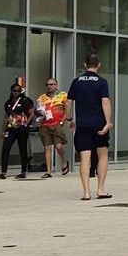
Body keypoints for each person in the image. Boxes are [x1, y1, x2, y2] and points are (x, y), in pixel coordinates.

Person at [65, 50, 112, 200]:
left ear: (85, 65)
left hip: (83, 125)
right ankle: (101, 189)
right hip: (99, 124)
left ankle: (86, 192)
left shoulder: (76, 82)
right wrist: (107, 122)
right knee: (102, 155)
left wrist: (69, 118)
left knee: (85, 159)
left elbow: (68, 102)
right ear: (99, 65)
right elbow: (105, 102)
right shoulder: (102, 82)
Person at [0, 82, 33, 180]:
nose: (16, 93)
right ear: (11, 91)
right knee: (5, 148)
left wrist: (26, 124)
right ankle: (3, 172)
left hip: (22, 128)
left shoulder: (25, 100)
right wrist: (3, 130)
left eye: (18, 91)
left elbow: (31, 113)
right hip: (11, 128)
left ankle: (23, 171)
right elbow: (6, 117)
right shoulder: (8, 103)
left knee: (23, 148)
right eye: (14, 91)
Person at [35, 77, 68, 178]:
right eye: (48, 85)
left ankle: (63, 161)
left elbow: (67, 109)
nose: (49, 86)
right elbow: (37, 110)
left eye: (52, 84)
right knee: (47, 147)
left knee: (59, 146)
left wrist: (63, 121)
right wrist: (39, 112)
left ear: (56, 85)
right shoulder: (42, 98)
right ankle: (49, 171)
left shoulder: (63, 95)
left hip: (57, 123)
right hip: (45, 124)